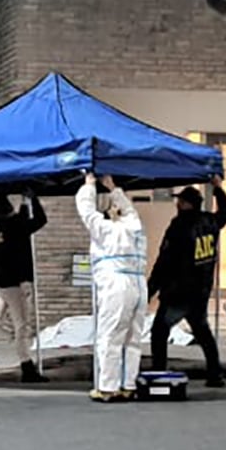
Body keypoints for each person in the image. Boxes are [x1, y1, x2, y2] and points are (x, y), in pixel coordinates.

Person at [148, 176, 226, 388]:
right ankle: (215, 374)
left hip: (178, 291)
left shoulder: (179, 226)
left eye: (181, 201)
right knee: (202, 331)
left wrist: (150, 289)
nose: (177, 204)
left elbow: (164, 261)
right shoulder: (210, 222)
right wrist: (218, 188)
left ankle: (159, 373)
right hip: (200, 290)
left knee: (159, 331)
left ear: (187, 204)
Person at [75, 171, 148, 403]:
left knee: (110, 335)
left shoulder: (105, 229)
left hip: (117, 285)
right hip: (138, 283)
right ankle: (128, 384)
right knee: (132, 338)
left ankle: (107, 387)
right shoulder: (134, 226)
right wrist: (112, 187)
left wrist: (89, 184)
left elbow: (86, 210)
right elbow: (128, 209)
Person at [0, 191, 49, 384]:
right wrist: (32, 198)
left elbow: (22, 223)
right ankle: (27, 366)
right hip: (14, 283)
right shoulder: (15, 226)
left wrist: (26, 202)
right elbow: (39, 220)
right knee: (21, 325)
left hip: (1, 282)